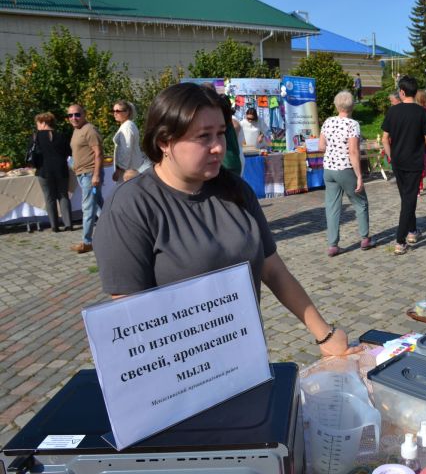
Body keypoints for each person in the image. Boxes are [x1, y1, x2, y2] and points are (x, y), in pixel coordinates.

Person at [93, 82, 358, 357]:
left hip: (247, 360)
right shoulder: (130, 207)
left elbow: (273, 270)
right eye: (203, 137)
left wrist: (325, 334)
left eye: (220, 133)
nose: (218, 147)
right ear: (164, 142)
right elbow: (130, 317)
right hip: (181, 376)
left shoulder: (235, 190)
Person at [381, 75, 426, 255]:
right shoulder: (422, 113)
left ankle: (412, 232)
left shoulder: (393, 111)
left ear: (402, 92)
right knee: (409, 200)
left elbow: (385, 139)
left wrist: (390, 156)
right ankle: (400, 240)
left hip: (398, 161)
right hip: (414, 161)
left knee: (407, 198)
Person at [318, 90, 374, 257]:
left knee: (332, 207)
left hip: (329, 169)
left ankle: (333, 244)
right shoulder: (352, 124)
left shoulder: (327, 122)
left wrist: (332, 150)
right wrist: (359, 176)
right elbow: (354, 152)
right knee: (360, 202)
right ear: (352, 106)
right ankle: (365, 238)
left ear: (336, 106)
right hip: (345, 168)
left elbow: (321, 146)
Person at [67, 104, 103, 254]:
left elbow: (98, 153)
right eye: (70, 115)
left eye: (77, 114)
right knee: (99, 207)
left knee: (88, 208)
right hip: (82, 174)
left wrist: (96, 175)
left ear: (84, 114)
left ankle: (87, 242)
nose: (74, 118)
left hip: (89, 174)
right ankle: (115, 232)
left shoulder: (89, 130)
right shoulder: (77, 130)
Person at [33, 112, 72, 232]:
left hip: (44, 170)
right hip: (61, 169)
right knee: (63, 196)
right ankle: (68, 223)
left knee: (49, 197)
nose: (37, 126)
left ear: (44, 122)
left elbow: (32, 154)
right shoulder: (61, 135)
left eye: (38, 123)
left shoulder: (36, 137)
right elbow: (68, 152)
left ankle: (54, 225)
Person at [112, 100, 151, 183]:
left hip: (128, 170)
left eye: (118, 111)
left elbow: (126, 149)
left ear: (127, 112)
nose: (115, 113)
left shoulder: (127, 127)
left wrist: (119, 169)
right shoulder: (127, 125)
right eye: (114, 111)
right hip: (130, 168)